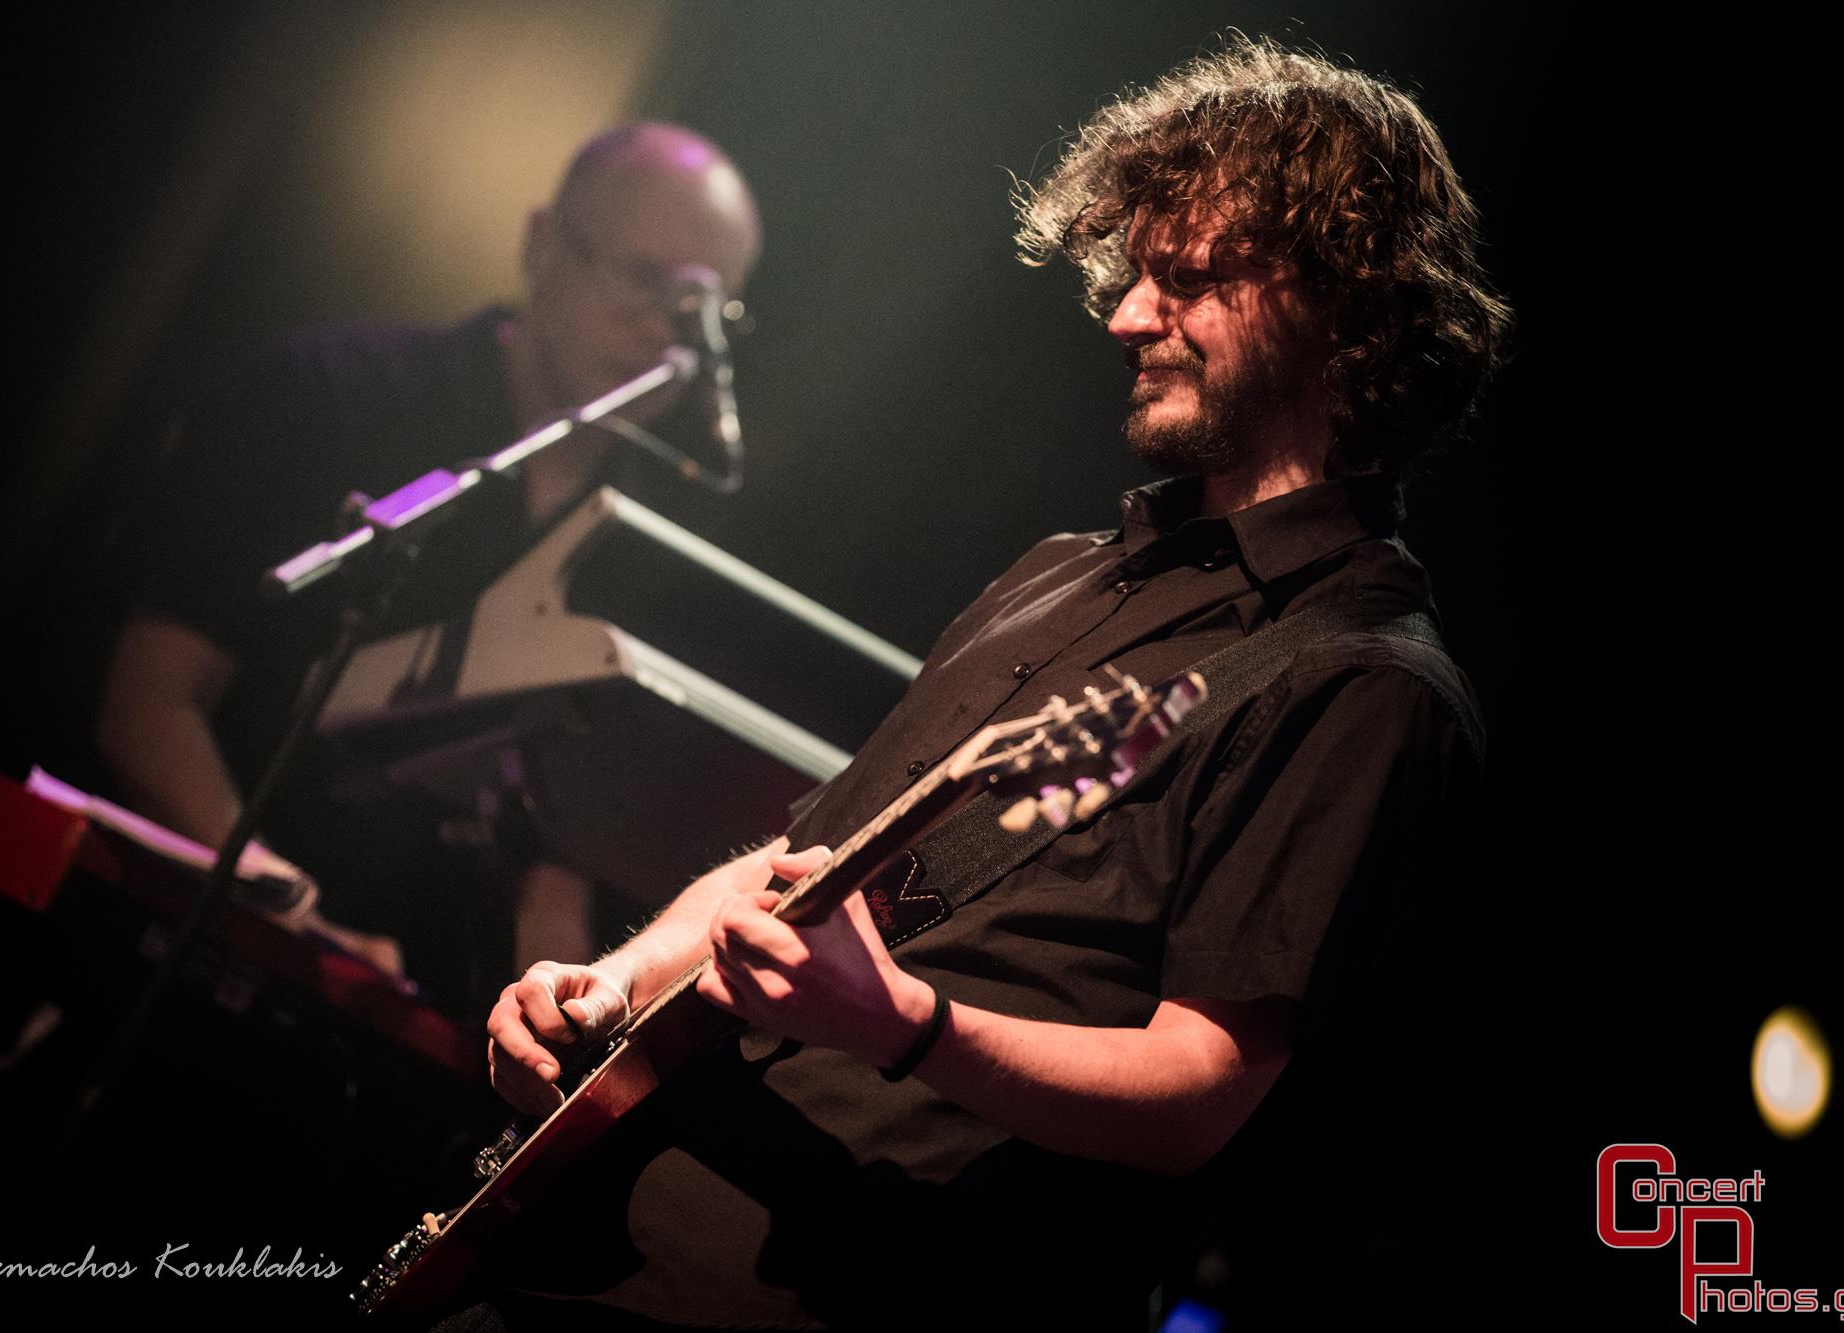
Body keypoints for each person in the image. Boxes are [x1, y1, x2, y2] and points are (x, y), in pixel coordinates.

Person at [478, 38, 1510, 1328]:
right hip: (602, 1242)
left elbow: (1197, 1092)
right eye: (1132, 274)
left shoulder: (1363, 682)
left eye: (1184, 278)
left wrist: (905, 1024)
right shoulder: (1059, 573)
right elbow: (795, 871)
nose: (1124, 317)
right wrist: (612, 985)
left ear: (1337, 302)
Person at [94, 123, 763, 1001]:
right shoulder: (327, 394)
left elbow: (560, 861)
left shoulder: (650, 545)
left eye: (699, 310)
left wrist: (561, 1014)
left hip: (421, 1012)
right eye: (643, 278)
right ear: (542, 246)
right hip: (185, 948)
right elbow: (149, 704)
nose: (664, 332)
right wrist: (292, 919)